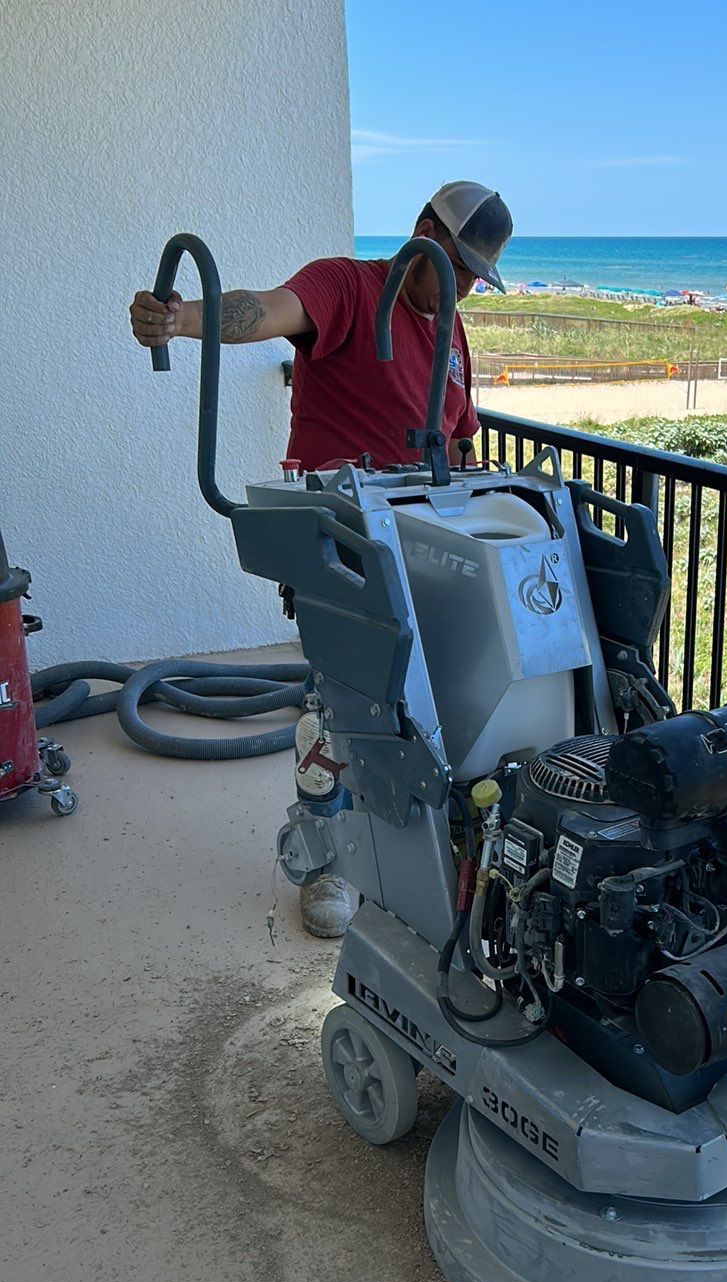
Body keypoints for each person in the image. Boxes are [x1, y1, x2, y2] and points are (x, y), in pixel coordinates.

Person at [129, 181, 513, 938]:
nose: (466, 287)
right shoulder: (347, 286)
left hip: (425, 542)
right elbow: (265, 310)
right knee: (339, 704)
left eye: (477, 276)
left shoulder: (452, 332)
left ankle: (426, 856)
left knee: (433, 705)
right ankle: (325, 859)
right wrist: (183, 319)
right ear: (423, 234)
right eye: (460, 266)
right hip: (342, 541)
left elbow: (460, 432)